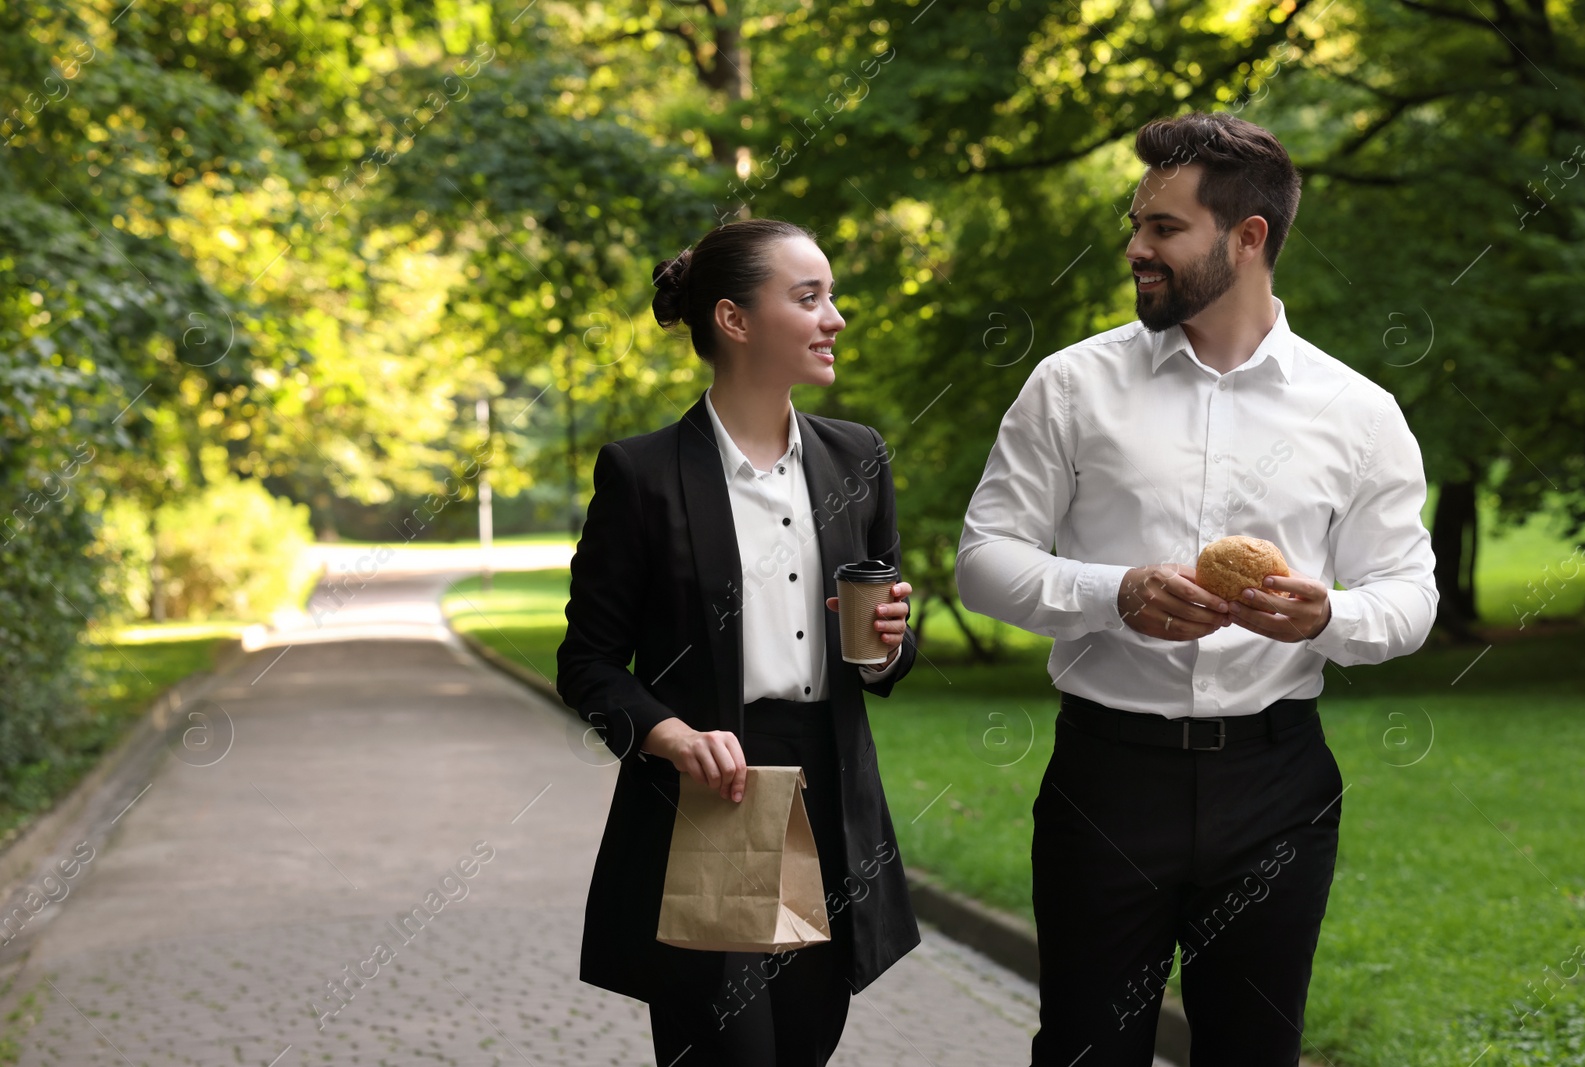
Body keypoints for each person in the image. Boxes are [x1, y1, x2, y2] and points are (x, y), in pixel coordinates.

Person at [954, 112, 1439, 1066]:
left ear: (1247, 237)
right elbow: (983, 558)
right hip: (1106, 778)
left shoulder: (1359, 411)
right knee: (1086, 1049)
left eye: (1164, 229)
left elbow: (1410, 594)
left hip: (1277, 786)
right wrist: (1114, 592)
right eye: (1137, 224)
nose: (1135, 247)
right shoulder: (1069, 385)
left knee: (1255, 1050)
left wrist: (1330, 613)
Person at [556, 217, 922, 1067]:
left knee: (802, 1045)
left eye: (829, 295)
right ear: (734, 319)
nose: (835, 317)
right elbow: (588, 662)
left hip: (829, 791)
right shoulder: (643, 474)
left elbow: (887, 647)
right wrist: (669, 735)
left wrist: (888, 644)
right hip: (712, 796)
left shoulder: (857, 457)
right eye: (809, 297)